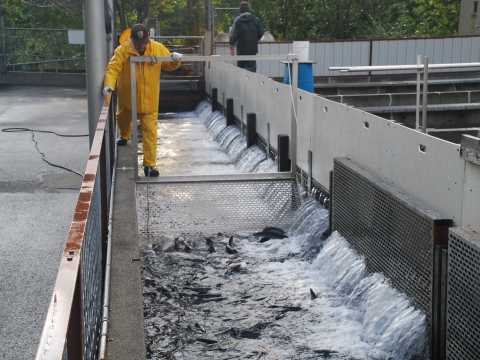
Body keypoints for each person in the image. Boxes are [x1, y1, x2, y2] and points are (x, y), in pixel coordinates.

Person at [103, 23, 183, 177]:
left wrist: (175, 60)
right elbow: (113, 68)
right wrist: (109, 85)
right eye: (138, 44)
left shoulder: (158, 48)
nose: (141, 47)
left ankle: (149, 165)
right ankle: (125, 135)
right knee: (123, 117)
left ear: (148, 38)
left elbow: (168, 65)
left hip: (150, 98)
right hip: (128, 96)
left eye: (144, 43)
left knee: (150, 131)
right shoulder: (122, 51)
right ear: (131, 39)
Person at [229, 1, 264, 72]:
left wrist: (232, 47)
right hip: (252, 49)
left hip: (241, 49)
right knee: (251, 69)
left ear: (240, 12)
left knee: (240, 70)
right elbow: (261, 31)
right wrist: (255, 39)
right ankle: (251, 82)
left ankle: (241, 83)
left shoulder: (238, 21)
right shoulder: (255, 20)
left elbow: (234, 34)